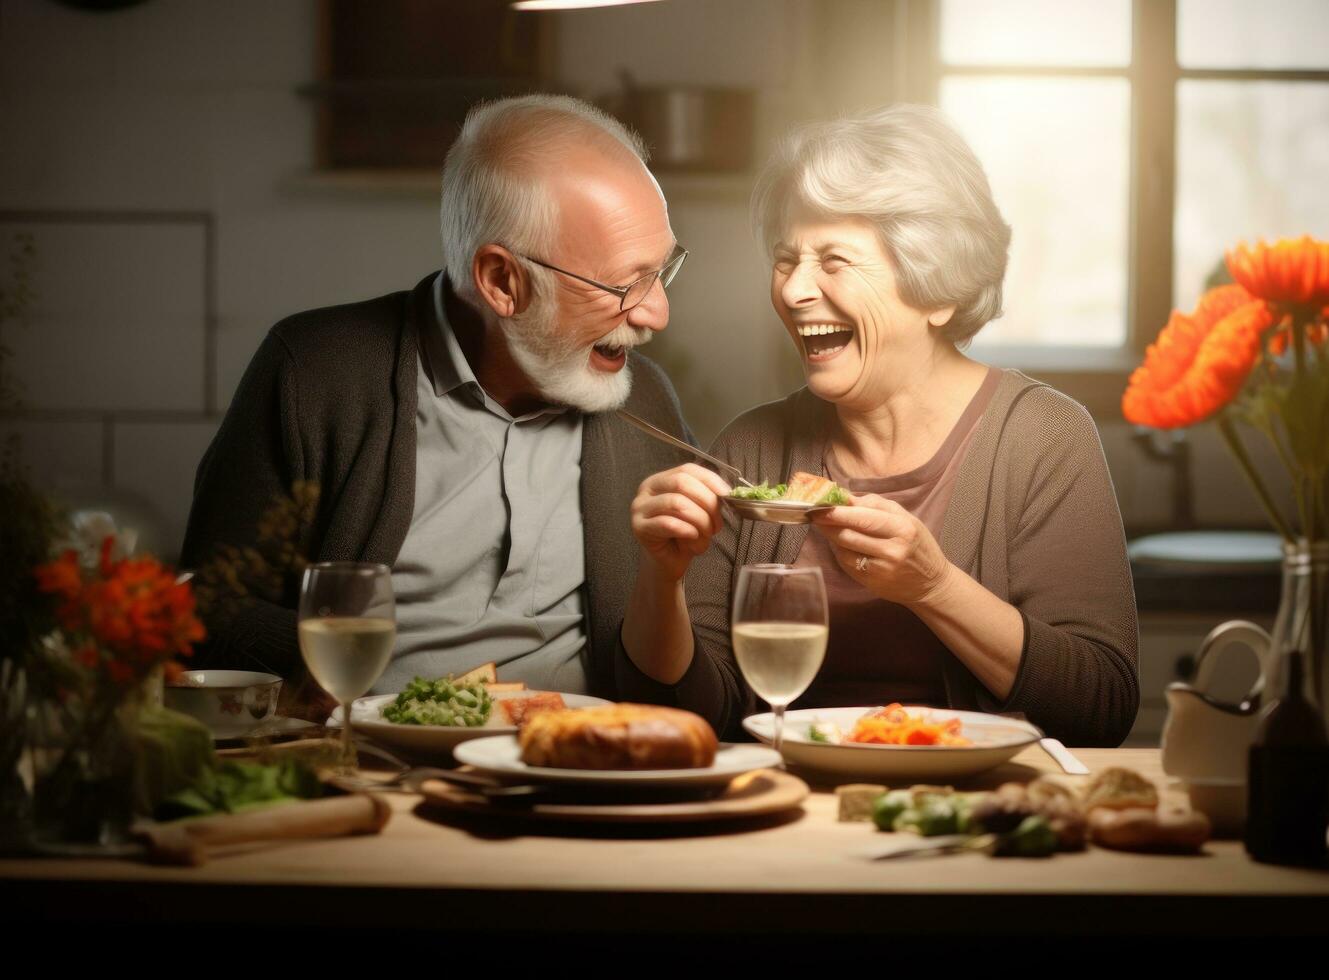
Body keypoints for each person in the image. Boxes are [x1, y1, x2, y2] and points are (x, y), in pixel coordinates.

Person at [622, 104, 1139, 746]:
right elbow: (694, 715)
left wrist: (935, 586)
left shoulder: (1043, 439)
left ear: (938, 288)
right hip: (786, 810)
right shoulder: (751, 449)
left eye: (834, 261)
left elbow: (1101, 708)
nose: (793, 290)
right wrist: (660, 577)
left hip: (967, 813)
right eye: (787, 259)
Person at [181, 94, 699, 704]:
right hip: (372, 767)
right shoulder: (315, 373)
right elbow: (206, 605)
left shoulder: (644, 402)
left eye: (660, 272)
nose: (657, 313)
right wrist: (336, 678)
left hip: (580, 768)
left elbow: (691, 677)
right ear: (502, 282)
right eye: (624, 284)